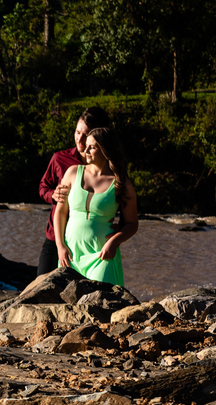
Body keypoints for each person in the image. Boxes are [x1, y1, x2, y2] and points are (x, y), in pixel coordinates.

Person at [53, 127, 138, 286]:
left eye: (92, 147)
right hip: (70, 253)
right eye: (86, 146)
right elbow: (60, 212)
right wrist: (60, 246)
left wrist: (114, 242)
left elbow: (132, 224)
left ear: (106, 149)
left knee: (100, 304)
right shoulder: (72, 173)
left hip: (102, 255)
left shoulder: (121, 183)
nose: (86, 150)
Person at [37, 106, 112, 277]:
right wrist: (52, 195)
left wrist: (119, 228)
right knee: (40, 289)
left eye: (86, 135)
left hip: (91, 245)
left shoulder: (106, 167)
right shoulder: (59, 159)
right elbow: (42, 188)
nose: (80, 139)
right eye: (77, 132)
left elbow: (121, 201)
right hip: (56, 237)